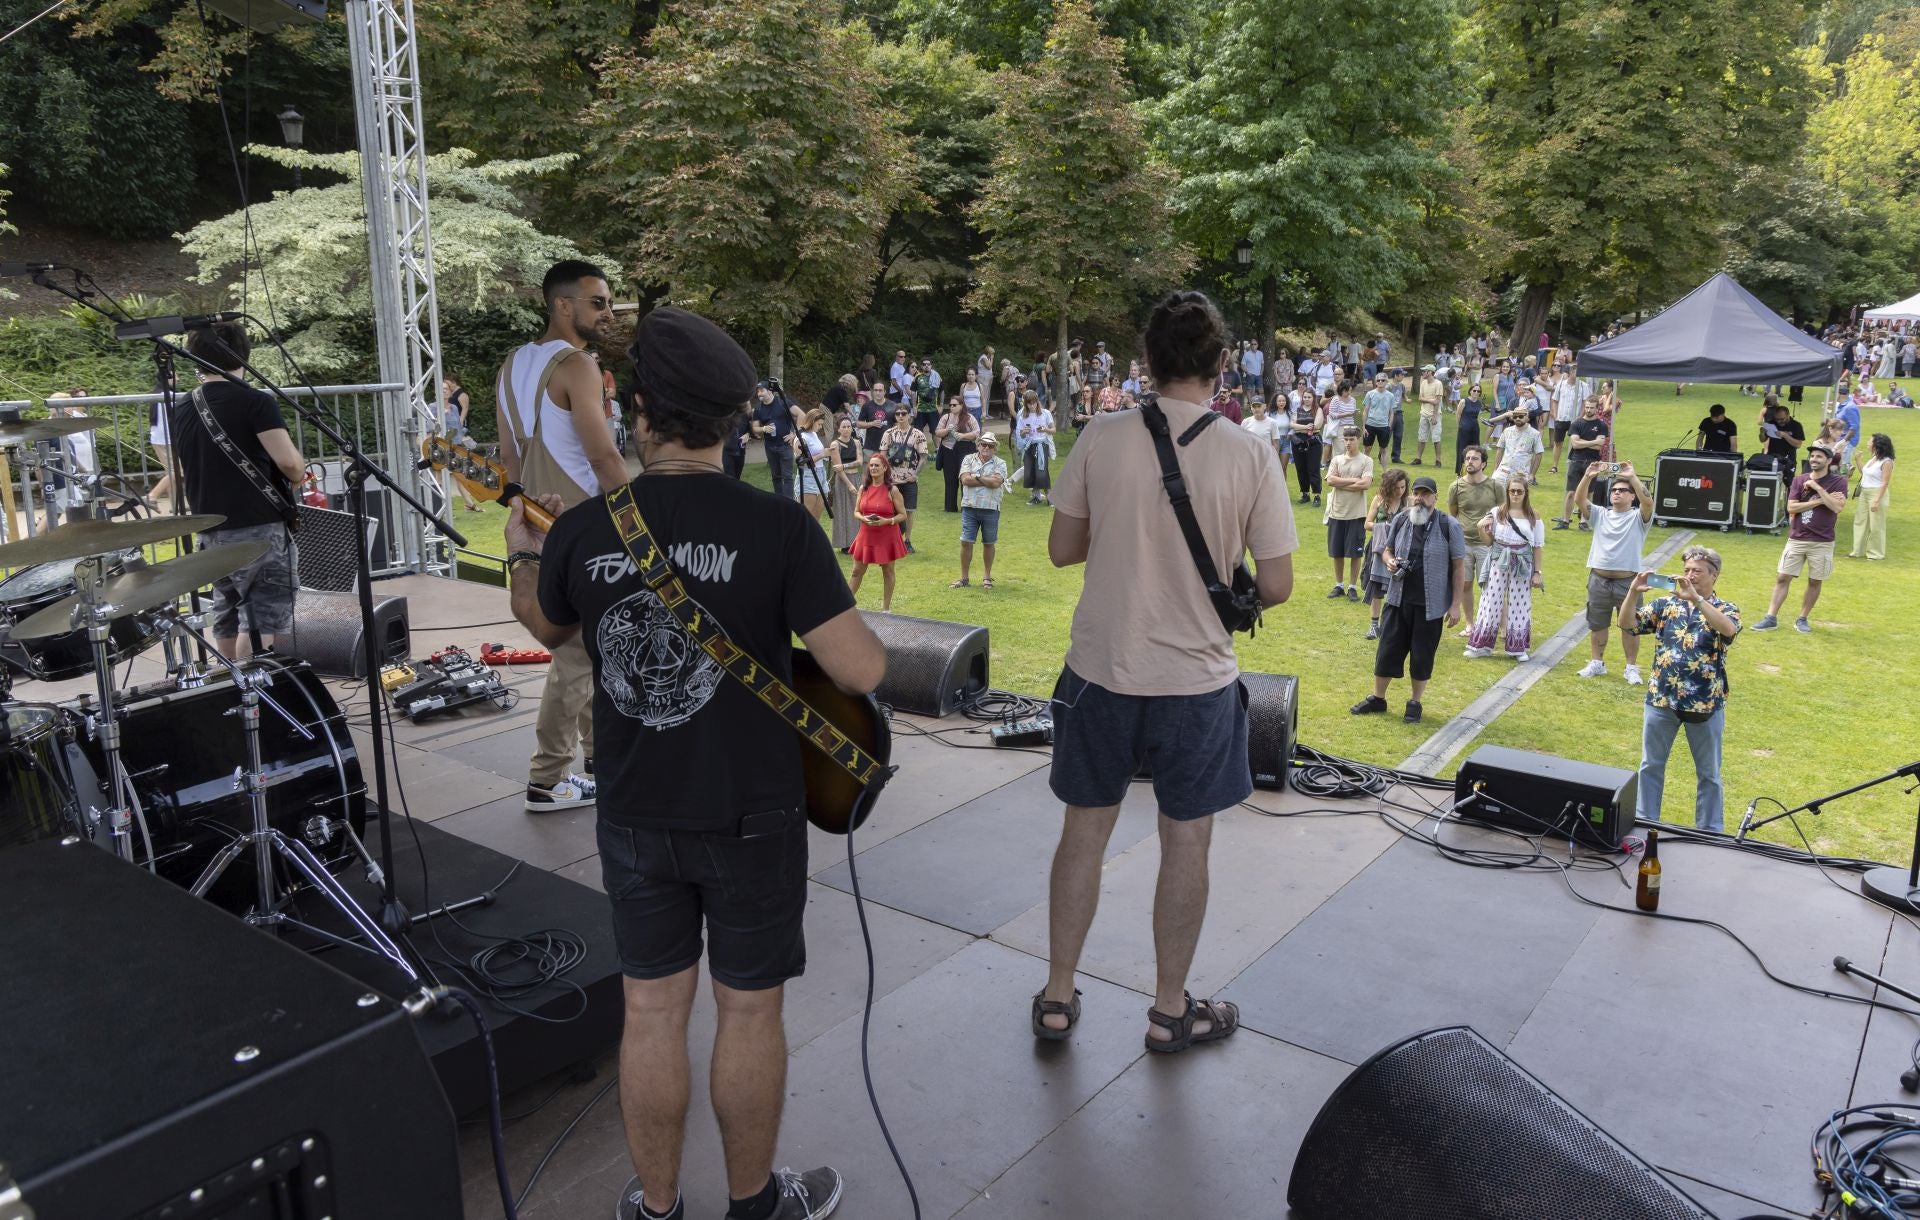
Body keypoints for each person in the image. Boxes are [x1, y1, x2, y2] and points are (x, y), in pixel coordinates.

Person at [502, 307, 884, 1220]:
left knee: (651, 1012)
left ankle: (659, 1208)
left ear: (638, 414)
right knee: (749, 1012)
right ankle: (754, 1206)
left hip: (636, 810)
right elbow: (861, 671)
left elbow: (546, 628)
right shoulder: (779, 525)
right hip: (754, 812)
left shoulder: (589, 528)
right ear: (732, 424)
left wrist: (523, 556)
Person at [1033, 289, 1295, 1053]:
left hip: (1099, 670)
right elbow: (1274, 587)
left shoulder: (1101, 436)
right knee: (1188, 843)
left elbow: (1060, 550)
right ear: (1221, 364)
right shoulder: (1249, 452)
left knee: (1083, 835)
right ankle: (1169, 1009)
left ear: (1146, 362)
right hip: (1196, 684)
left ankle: (1056, 997)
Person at [497, 261, 630, 811]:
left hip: (538, 523)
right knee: (576, 656)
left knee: (592, 652)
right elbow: (602, 456)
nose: (606, 313)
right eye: (597, 302)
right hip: (585, 528)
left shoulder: (510, 365)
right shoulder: (577, 366)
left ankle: (602, 762)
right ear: (562, 305)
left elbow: (507, 465)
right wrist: (641, 516)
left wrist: (525, 517)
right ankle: (546, 781)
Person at [171, 324, 307, 659]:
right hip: (256, 528)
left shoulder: (183, 406)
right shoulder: (256, 402)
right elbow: (289, 463)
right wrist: (299, 471)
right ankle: (258, 698)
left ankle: (232, 694)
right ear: (243, 354)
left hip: (209, 529)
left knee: (228, 615)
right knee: (261, 619)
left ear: (195, 358)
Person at [1619, 547, 1739, 832]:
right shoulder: (1664, 606)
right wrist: (1633, 592)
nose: (1689, 576)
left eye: (1697, 571)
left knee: (1709, 773)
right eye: (1686, 570)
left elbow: (1728, 630)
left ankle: (1710, 831)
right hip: (1661, 700)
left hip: (1705, 705)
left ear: (1714, 575)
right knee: (1650, 766)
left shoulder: (1726, 608)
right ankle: (1646, 821)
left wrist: (1696, 600)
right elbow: (1627, 624)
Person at [1349, 475, 1467, 724]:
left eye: (1426, 494)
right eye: (1417, 493)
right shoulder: (1402, 519)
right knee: (1387, 650)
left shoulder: (1449, 525)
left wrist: (1455, 605)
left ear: (1435, 496)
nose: (1420, 498)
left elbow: (1458, 567)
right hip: (1397, 599)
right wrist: (1390, 561)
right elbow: (1386, 549)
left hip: (1430, 606)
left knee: (1422, 656)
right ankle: (1378, 698)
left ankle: (1415, 702)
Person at [1752, 442, 1848, 633]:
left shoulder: (1838, 482)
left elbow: (1837, 507)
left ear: (1828, 461)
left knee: (1815, 581)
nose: (1814, 459)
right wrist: (1822, 500)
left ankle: (1802, 618)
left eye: (1819, 456)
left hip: (1822, 541)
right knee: (1783, 577)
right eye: (1812, 456)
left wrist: (1817, 489)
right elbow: (1791, 508)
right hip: (1797, 538)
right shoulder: (1798, 480)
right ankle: (1770, 617)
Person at [1572, 461, 1653, 685]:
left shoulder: (1639, 517)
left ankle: (1631, 667)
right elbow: (1579, 500)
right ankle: (1597, 663)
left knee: (1630, 625)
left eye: (1622, 491)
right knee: (1597, 623)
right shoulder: (1600, 514)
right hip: (1598, 579)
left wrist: (1632, 477)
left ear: (1632, 496)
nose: (1617, 493)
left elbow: (1648, 501)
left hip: (1628, 582)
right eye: (1614, 490)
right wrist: (1588, 476)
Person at [1464, 477, 1545, 661]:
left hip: (1522, 562)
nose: (1515, 494)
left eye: (1519, 491)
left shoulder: (1534, 515)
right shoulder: (1496, 512)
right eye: (1512, 491)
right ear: (1507, 492)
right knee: (1490, 601)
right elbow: (1489, 542)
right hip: (1498, 560)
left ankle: (1518, 648)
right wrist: (1480, 528)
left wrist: (1538, 573)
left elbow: (1538, 546)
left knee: (1520, 603)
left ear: (1526, 493)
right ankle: (1481, 646)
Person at [1447, 445, 1502, 630]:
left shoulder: (1495, 486)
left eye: (1475, 458)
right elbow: (1453, 513)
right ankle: (1470, 624)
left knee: (1492, 586)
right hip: (1463, 544)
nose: (1470, 461)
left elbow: (1503, 514)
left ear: (1484, 463)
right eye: (1467, 458)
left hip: (1488, 544)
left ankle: (1499, 626)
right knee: (1465, 584)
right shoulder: (1455, 486)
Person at [847, 453, 908, 612]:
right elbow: (856, 512)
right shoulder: (863, 488)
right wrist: (864, 518)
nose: (873, 468)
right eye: (871, 465)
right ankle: (844, 607)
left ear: (885, 468)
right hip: (866, 534)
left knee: (887, 571)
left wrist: (886, 521)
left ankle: (886, 610)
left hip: (887, 535)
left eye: (877, 465)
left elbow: (903, 515)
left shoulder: (892, 490)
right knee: (856, 571)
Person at [953, 433, 1008, 588]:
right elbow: (965, 480)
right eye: (983, 444)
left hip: (991, 507)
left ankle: (987, 577)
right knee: (965, 542)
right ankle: (964, 579)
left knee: (989, 543)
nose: (986, 448)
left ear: (995, 448)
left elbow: (996, 483)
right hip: (969, 506)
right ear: (977, 445)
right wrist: (986, 479)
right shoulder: (968, 459)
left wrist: (976, 477)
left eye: (990, 445)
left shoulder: (1001, 463)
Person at [1325, 427, 1374, 601]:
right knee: (1337, 552)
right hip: (1337, 513)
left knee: (1355, 553)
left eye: (1351, 439)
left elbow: (1366, 484)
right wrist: (1354, 480)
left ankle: (1352, 587)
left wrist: (1341, 483)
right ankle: (1339, 585)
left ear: (1359, 439)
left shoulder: (1366, 461)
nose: (1348, 443)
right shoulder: (1336, 459)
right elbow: (1330, 480)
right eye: (1345, 439)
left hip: (1357, 514)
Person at [1362, 468, 1410, 641]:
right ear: (1388, 487)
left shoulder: (1408, 503)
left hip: (1400, 551)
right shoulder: (1379, 500)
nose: (1400, 491)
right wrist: (1383, 528)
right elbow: (1367, 523)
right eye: (1396, 488)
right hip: (1378, 549)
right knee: (1376, 588)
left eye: (1403, 487)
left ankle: (1393, 625)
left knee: (1398, 588)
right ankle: (1374, 626)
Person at [880, 403, 929, 549]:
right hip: (891, 480)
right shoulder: (888, 433)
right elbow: (882, 456)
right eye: (897, 414)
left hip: (909, 480)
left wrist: (915, 474)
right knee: (892, 510)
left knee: (909, 511)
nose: (900, 416)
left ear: (909, 415)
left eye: (903, 413)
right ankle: (893, 539)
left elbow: (923, 457)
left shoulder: (918, 434)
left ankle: (907, 541)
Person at [1555, 397, 1609, 529]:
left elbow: (1599, 446)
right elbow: (1574, 444)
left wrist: (1583, 443)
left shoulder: (1601, 425)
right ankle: (1565, 520)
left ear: (1597, 409)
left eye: (1592, 407)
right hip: (1576, 460)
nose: (1589, 410)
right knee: (1571, 492)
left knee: (1589, 493)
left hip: (1593, 462)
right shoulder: (1576, 424)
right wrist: (1593, 442)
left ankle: (1584, 521)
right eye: (1587, 407)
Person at [1848, 433, 1894, 560]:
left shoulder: (1887, 462)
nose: (1868, 442)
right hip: (1865, 492)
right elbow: (1865, 473)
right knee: (1860, 521)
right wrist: (1858, 460)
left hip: (1877, 493)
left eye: (1870, 441)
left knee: (1876, 524)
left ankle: (1876, 553)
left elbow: (1885, 482)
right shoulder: (1874, 458)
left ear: (1877, 445)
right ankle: (1857, 551)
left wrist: (1876, 500)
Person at [751, 382, 799, 499]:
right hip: (770, 447)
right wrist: (763, 428)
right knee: (776, 476)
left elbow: (801, 415)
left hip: (785, 445)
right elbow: (754, 428)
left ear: (770, 391)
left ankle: (789, 503)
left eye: (762, 390)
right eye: (758, 391)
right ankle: (780, 502)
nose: (759, 394)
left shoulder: (783, 402)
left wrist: (794, 434)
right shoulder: (758, 408)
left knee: (787, 476)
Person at [934, 395, 980, 513]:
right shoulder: (946, 417)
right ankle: (950, 507)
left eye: (954, 405)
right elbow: (937, 432)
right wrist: (947, 430)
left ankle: (966, 506)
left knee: (965, 478)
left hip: (966, 450)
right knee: (950, 479)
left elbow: (977, 432)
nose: (952, 407)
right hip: (948, 450)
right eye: (950, 405)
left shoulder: (969, 417)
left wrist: (963, 435)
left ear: (961, 405)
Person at [442, 375, 480, 508]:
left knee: (459, 472)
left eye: (447, 387)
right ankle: (440, 506)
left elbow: (461, 416)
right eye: (443, 388)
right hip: (444, 442)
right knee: (441, 474)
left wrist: (461, 432)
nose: (446, 390)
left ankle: (469, 504)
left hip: (454, 438)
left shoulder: (458, 401)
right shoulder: (435, 407)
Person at [1013, 390, 1056, 506]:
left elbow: (1053, 430)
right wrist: (1023, 432)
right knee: (1030, 471)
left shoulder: (1045, 413)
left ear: (1037, 402)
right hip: (1029, 445)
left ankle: (1050, 497)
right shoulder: (1022, 417)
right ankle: (1036, 496)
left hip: (1042, 445)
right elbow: (1020, 434)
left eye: (1034, 402)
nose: (1032, 405)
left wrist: (1045, 429)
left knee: (1042, 470)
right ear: (1026, 404)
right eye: (1029, 403)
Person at [827, 416, 861, 553]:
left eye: (848, 426)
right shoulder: (835, 445)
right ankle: (845, 544)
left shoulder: (857, 442)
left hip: (855, 477)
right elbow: (837, 469)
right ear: (838, 429)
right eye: (844, 427)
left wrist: (845, 465)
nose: (847, 429)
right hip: (842, 481)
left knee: (856, 509)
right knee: (842, 511)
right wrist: (848, 484)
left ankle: (857, 541)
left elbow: (859, 461)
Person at [789, 409, 831, 520]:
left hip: (821, 473)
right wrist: (822, 454)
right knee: (806, 517)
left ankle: (813, 537)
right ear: (812, 421)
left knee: (817, 517)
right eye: (819, 424)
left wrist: (827, 453)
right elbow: (803, 463)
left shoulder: (813, 434)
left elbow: (816, 452)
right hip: (808, 476)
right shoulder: (801, 438)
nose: (821, 427)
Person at [1491, 405, 1543, 488]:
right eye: (1515, 416)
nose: (1518, 419)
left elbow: (1539, 454)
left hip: (1521, 474)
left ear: (1527, 417)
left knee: (1516, 499)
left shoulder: (1535, 434)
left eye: (1521, 416)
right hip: (1502, 472)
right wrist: (1495, 470)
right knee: (1496, 498)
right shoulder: (1507, 431)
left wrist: (1532, 474)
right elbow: (1500, 450)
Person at [1289, 388, 1324, 506]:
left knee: (1313, 469)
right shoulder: (1297, 410)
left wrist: (1302, 427)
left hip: (1313, 442)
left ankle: (1317, 495)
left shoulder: (1318, 410)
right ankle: (1305, 494)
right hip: (1298, 441)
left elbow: (1318, 425)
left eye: (1309, 397)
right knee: (1301, 469)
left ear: (1313, 398)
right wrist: (1306, 427)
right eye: (1305, 397)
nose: (1307, 399)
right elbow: (1292, 425)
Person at [1361, 373, 1396, 464]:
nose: (1380, 382)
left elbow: (1392, 413)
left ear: (1386, 382)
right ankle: (1363, 471)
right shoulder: (1370, 394)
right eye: (1378, 380)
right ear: (1375, 382)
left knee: (1384, 449)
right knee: (1367, 448)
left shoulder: (1390, 396)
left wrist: (1389, 426)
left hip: (1384, 426)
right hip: (1370, 424)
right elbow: (1365, 411)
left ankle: (1385, 474)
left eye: (1383, 380)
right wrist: (1364, 426)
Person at [1452, 380, 1485, 475]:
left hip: (1475, 429)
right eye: (1474, 390)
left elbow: (1476, 416)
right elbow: (1458, 415)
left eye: (1478, 391)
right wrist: (1461, 426)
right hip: (1464, 429)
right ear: (1470, 391)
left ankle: (1475, 470)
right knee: (1462, 450)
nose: (1476, 393)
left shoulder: (1479, 403)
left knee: (1475, 450)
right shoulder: (1464, 401)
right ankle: (1460, 472)